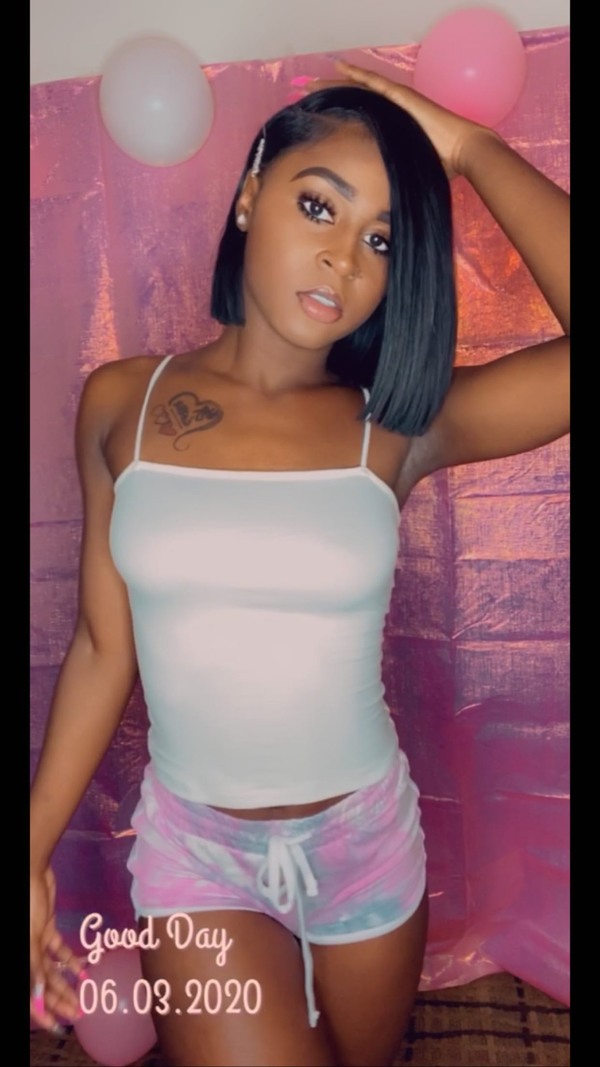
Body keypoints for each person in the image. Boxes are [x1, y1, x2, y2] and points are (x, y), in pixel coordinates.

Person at [30, 60, 569, 1067]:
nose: (341, 258)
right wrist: (30, 846)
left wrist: (472, 149)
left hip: (366, 845)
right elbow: (104, 646)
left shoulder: (397, 425)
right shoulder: (122, 403)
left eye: (381, 239)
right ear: (249, 195)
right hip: (198, 857)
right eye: (319, 205)